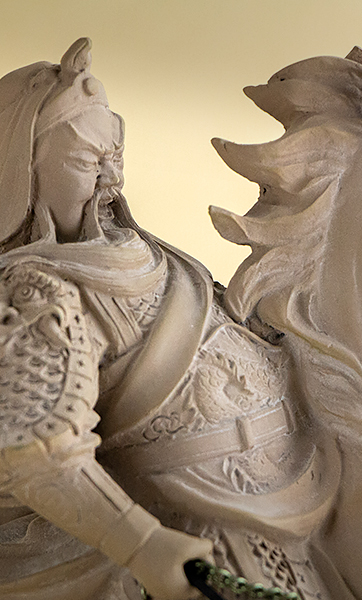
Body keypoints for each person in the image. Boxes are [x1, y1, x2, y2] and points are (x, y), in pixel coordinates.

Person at [0, 38, 339, 600]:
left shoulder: (150, 253)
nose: (110, 179)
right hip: (193, 518)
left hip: (298, 477)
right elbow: (39, 451)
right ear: (21, 174)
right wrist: (140, 545)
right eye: (86, 161)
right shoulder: (36, 291)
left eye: (115, 156)